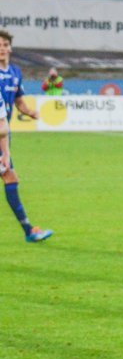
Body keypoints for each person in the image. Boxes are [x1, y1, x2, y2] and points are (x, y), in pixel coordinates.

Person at [0, 30, 53, 243]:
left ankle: (29, 230)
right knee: (10, 175)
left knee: (9, 176)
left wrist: (30, 111)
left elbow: (19, 101)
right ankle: (29, 231)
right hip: (1, 132)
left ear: (10, 48)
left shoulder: (15, 72)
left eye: (4, 44)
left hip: (3, 133)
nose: (2, 48)